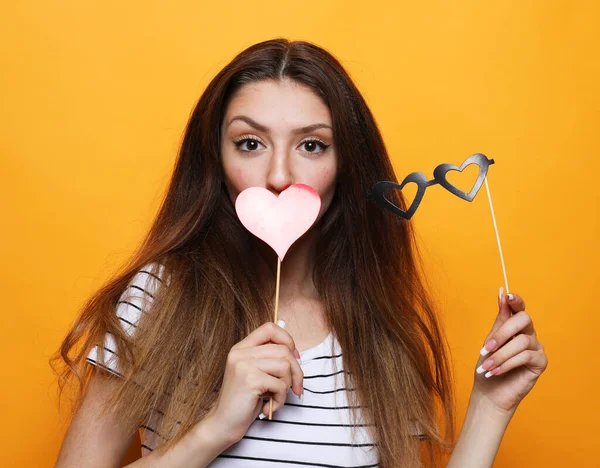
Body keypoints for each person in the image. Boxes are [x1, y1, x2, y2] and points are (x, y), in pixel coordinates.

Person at [52, 38, 548, 467]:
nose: (279, 176)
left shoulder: (377, 327)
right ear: (215, 160)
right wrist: (216, 428)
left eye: (312, 146)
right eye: (249, 143)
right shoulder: (163, 296)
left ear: (346, 164)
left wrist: (491, 407)